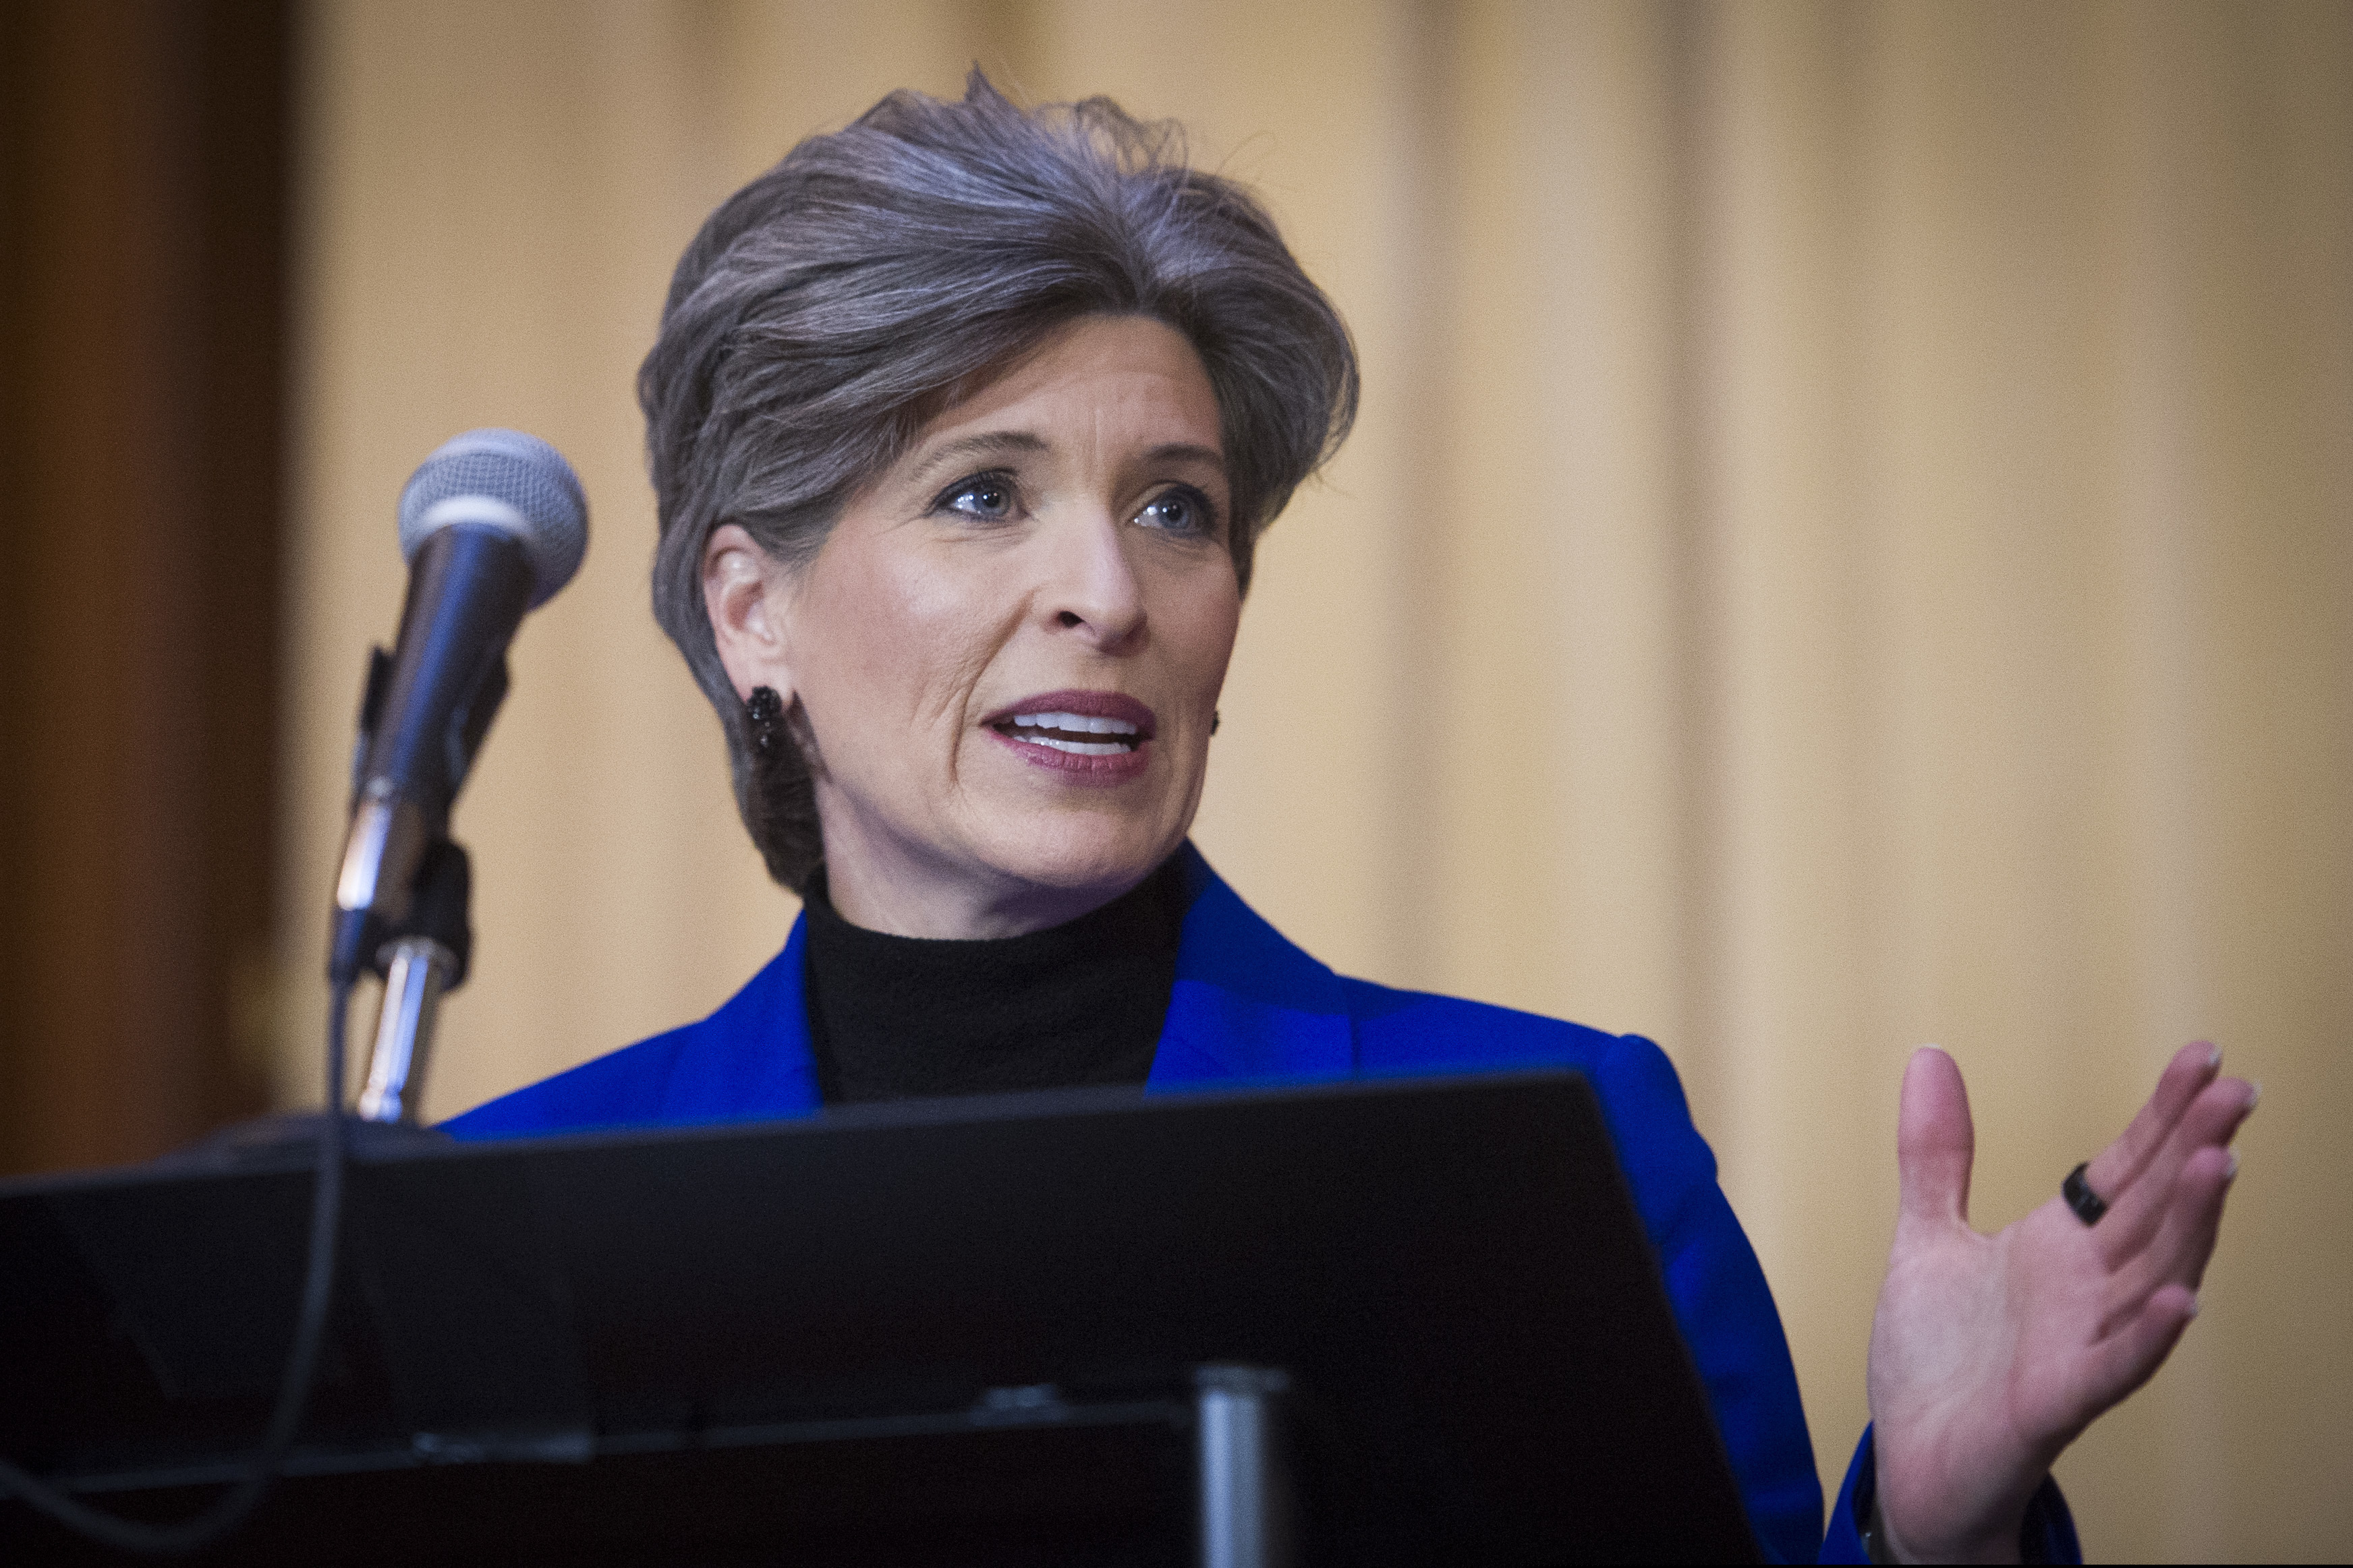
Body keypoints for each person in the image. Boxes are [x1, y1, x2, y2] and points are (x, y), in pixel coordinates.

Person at [445, 73, 2252, 1563]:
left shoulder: (1555, 1147)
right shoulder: (509, 1218)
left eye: (1178, 508)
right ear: (753, 608)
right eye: (985, 493)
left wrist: (1949, 1532)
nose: (1109, 588)